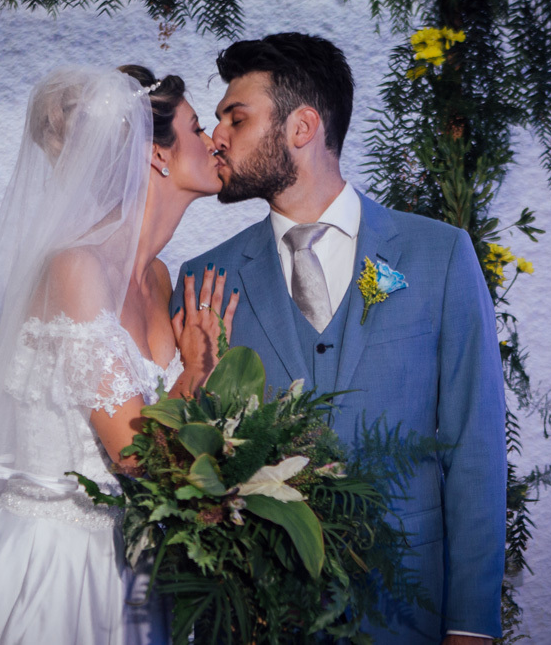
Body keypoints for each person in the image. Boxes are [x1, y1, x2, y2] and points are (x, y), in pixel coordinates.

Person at [0, 65, 238, 645]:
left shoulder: (158, 279)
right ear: (157, 155)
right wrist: (197, 371)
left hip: (141, 570)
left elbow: (178, 443)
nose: (213, 141)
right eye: (198, 128)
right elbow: (132, 452)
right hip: (57, 566)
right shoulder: (75, 267)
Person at [173, 33, 506, 644]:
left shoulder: (439, 257)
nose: (217, 135)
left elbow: (475, 448)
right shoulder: (204, 283)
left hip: (407, 613)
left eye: (235, 117)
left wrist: (473, 628)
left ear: (302, 127)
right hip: (261, 619)